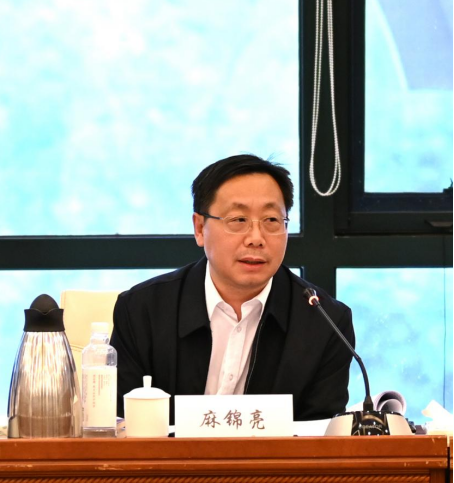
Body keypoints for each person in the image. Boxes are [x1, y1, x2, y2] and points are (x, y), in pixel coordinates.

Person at [110, 154, 354, 423]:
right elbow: (119, 425)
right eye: (238, 220)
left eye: (271, 220)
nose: (256, 238)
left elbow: (320, 434)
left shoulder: (326, 322)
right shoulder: (142, 311)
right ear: (200, 228)